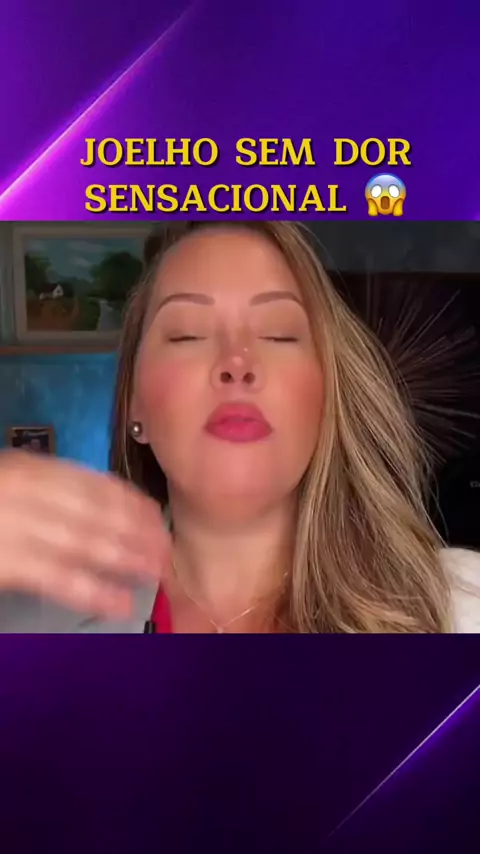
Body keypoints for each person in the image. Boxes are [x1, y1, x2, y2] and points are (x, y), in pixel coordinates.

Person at [0, 220, 479, 633]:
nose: (236, 362)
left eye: (278, 334)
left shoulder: (459, 606)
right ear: (133, 406)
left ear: (327, 398)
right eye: (187, 334)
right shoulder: (30, 615)